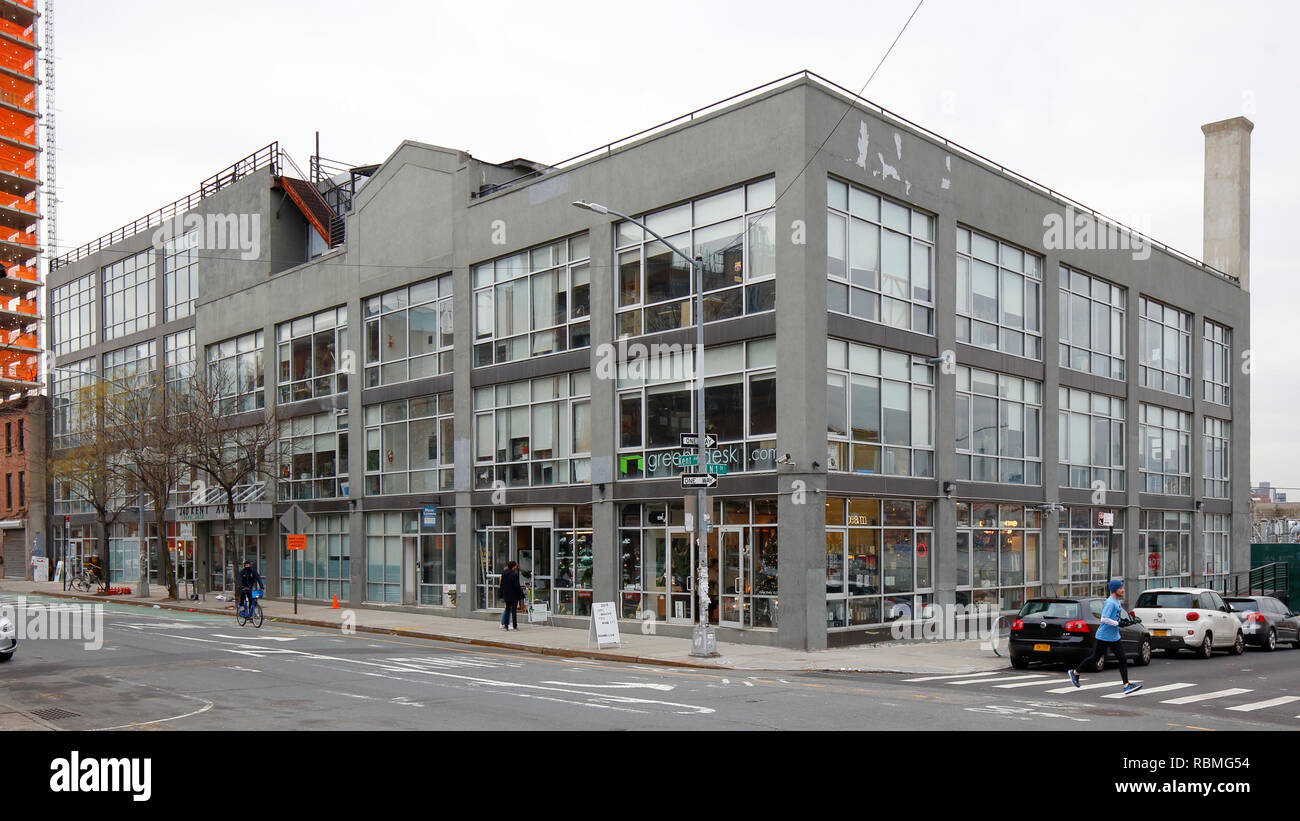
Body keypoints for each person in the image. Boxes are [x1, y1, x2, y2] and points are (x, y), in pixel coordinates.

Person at [1070, 579, 1142, 694]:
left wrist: (1129, 621)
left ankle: (1126, 685)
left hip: (1114, 636)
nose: (1123, 590)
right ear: (1114, 590)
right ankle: (1074, 673)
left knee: (1122, 658)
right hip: (1103, 636)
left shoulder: (1117, 602)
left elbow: (1116, 618)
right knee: (1095, 658)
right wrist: (1118, 623)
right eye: (1121, 588)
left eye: (1123, 588)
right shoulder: (1110, 603)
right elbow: (1104, 619)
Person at [499, 561, 526, 630]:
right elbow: (516, 586)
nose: (516, 567)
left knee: (507, 609)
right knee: (514, 610)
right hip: (513, 595)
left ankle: (506, 625)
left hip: (506, 595)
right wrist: (521, 594)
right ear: (513, 566)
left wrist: (501, 594)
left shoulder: (504, 574)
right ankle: (515, 625)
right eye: (515, 566)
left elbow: (502, 585)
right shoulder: (514, 574)